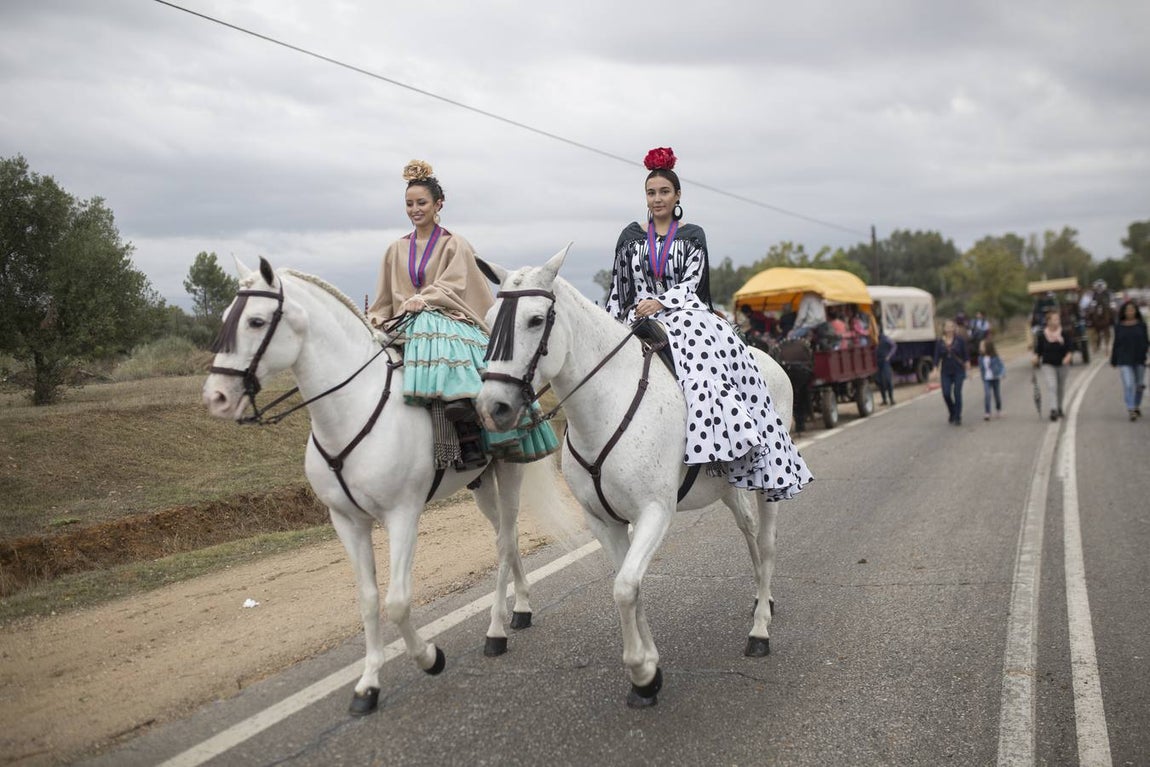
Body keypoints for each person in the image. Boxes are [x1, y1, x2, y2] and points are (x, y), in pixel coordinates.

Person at [605, 146, 812, 500]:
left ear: (678, 195)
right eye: (651, 193)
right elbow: (619, 286)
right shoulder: (630, 236)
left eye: (664, 192)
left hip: (683, 312)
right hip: (636, 313)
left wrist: (662, 301)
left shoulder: (692, 235)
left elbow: (693, 282)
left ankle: (720, 441)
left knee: (703, 361)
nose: (657, 199)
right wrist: (610, 323)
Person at [367, 160, 558, 469]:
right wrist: (380, 320)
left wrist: (424, 299)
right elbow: (384, 296)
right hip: (406, 321)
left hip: (451, 318)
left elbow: (454, 284)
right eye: (409, 204)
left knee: (434, 329)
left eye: (422, 203)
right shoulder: (394, 249)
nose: (415, 209)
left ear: (438, 204)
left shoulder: (455, 243)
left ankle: (470, 434)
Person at [1110, 299, 1149, 420]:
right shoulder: (1119, 326)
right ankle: (1131, 408)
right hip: (1124, 359)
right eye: (1128, 310)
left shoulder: (1141, 325)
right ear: (1124, 312)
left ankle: (1136, 405)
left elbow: (1146, 342)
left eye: (1132, 309)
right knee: (1128, 384)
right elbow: (1116, 343)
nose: (1130, 312)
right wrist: (1114, 359)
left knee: (1139, 385)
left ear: (1136, 311)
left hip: (1139, 358)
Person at [1033, 310, 1073, 421]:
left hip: (1062, 364)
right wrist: (1036, 357)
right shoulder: (1042, 335)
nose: (1057, 321)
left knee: (1060, 387)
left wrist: (1068, 356)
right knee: (1052, 386)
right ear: (1048, 321)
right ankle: (1053, 410)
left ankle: (1060, 408)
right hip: (1048, 364)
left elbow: (1070, 348)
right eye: (1054, 319)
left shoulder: (1064, 333)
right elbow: (1038, 350)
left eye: (1058, 319)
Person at [932, 319, 968, 425]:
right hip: (946, 371)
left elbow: (965, 355)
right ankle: (952, 411)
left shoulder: (959, 340)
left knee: (957, 393)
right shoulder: (940, 342)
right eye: (946, 327)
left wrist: (968, 366)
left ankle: (958, 416)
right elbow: (936, 356)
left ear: (954, 328)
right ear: (944, 329)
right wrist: (935, 369)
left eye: (951, 326)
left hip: (958, 370)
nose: (949, 329)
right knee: (946, 393)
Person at [978, 336, 1005, 420]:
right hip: (986, 379)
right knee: (987, 394)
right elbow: (981, 368)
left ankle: (998, 409)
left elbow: (1001, 366)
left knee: (997, 395)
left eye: (982, 346)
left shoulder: (995, 357)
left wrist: (1002, 373)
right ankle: (987, 412)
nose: (980, 348)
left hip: (995, 377)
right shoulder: (980, 358)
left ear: (987, 347)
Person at [876, 327, 897, 405]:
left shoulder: (885, 339)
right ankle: (884, 400)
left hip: (885, 362)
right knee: (880, 381)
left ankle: (891, 399)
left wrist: (889, 356)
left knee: (888, 380)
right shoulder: (876, 339)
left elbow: (894, 346)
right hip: (878, 362)